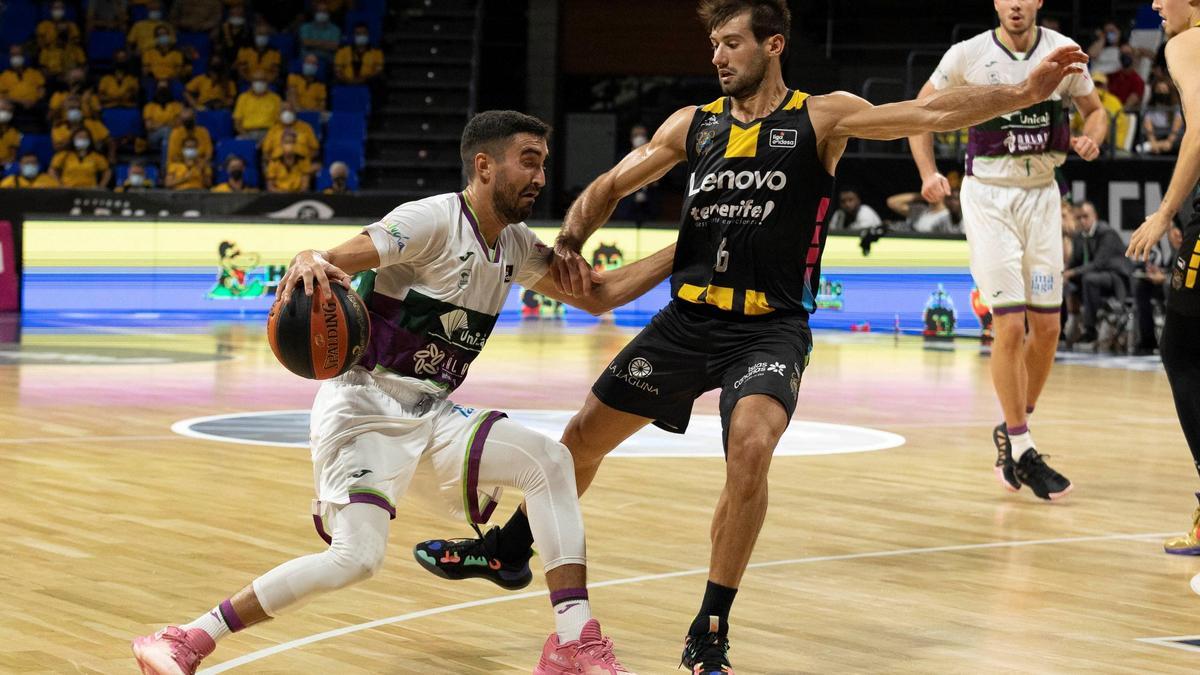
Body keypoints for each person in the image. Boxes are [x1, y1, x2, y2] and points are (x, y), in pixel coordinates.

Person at [408, 1, 1090, 672]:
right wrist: (571, 243)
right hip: (688, 321)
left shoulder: (822, 115)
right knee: (582, 436)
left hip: (770, 328)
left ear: (773, 45)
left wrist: (1021, 93)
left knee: (751, 448)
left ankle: (710, 624)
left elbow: (934, 112)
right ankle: (508, 549)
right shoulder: (694, 126)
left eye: (732, 42)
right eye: (714, 45)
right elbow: (611, 183)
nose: (717, 56)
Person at [130, 110, 678, 675]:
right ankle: (187, 637)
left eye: (544, 164)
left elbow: (599, 295)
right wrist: (308, 257)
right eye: (529, 162)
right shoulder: (431, 220)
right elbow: (333, 258)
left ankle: (573, 644)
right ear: (485, 166)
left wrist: (688, 247)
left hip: (430, 413)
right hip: (363, 407)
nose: (540, 177)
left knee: (552, 460)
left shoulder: (514, 245)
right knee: (355, 560)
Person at [907, 0, 1107, 501]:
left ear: (1039, 1)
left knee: (1048, 327)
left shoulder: (1064, 52)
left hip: (1042, 196)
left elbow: (1096, 112)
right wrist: (929, 173)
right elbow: (919, 114)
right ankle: (1022, 445)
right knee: (1010, 324)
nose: (1015, 4)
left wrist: (1091, 139)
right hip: (989, 197)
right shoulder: (968, 55)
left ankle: (1016, 430)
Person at [1126, 0, 1200, 559]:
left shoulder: (1187, 42)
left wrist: (1166, 211)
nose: (1155, 4)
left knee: (1182, 350)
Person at [1063, 201, 1133, 345]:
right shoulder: (1079, 237)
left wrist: (1072, 272)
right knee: (1065, 282)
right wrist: (1064, 274)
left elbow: (1099, 263)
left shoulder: (1107, 233)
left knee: (1089, 279)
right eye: (1079, 218)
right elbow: (1075, 262)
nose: (1082, 220)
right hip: (1094, 276)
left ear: (1094, 216)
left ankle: (1090, 330)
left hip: (1116, 277)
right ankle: (1065, 327)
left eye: (1085, 216)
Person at [1132, 218, 1184, 354]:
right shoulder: (1175, 251)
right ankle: (1147, 340)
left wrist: (1165, 278)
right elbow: (1174, 272)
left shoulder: (1191, 248)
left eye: (1171, 231)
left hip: (1188, 292)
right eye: (1170, 231)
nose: (1173, 235)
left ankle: (1176, 340)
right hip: (1172, 286)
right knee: (1142, 286)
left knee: (1169, 286)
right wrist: (1161, 273)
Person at [0, 46, 46, 131]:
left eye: (19, 54)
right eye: (13, 55)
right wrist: (20, 102)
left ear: (24, 56)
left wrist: (35, 100)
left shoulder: (34, 73)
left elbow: (41, 89)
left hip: (35, 105)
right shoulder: (4, 76)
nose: (16, 57)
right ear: (10, 57)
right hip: (15, 106)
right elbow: (2, 95)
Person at [232, 71, 281, 140]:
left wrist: (270, 135)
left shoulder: (276, 98)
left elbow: (278, 122)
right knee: (238, 143)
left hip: (269, 133)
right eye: (256, 80)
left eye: (262, 80)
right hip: (247, 132)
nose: (259, 83)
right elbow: (237, 123)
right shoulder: (243, 98)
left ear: (267, 82)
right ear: (251, 82)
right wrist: (246, 136)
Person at [1141, 78, 1184, 155]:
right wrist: (1154, 144)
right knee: (1143, 148)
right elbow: (1149, 132)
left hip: (1173, 141)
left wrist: (1169, 142)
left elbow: (1175, 131)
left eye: (1164, 90)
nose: (1161, 92)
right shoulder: (1149, 109)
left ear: (1169, 92)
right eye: (1158, 90)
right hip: (1155, 139)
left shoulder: (1176, 109)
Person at [143, 80, 182, 150]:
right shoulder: (149, 106)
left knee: (167, 135)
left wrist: (159, 125)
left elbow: (178, 124)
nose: (163, 91)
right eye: (160, 88)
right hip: (154, 136)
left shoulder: (176, 105)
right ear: (156, 90)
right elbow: (149, 127)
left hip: (173, 136)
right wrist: (167, 124)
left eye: (165, 88)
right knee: (166, 130)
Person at [0, 99, 19, 165]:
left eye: (9, 111)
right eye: (2, 109)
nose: (5, 113)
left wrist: (3, 163)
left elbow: (13, 156)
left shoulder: (13, 132)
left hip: (4, 165)